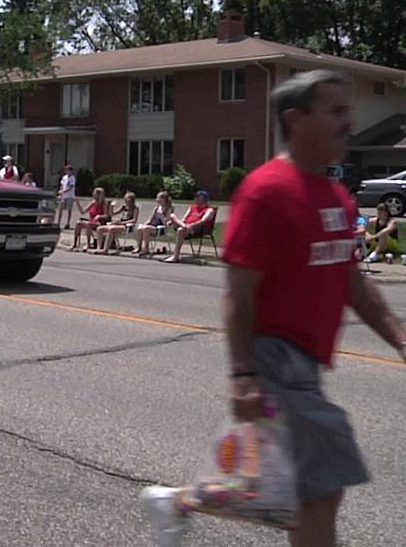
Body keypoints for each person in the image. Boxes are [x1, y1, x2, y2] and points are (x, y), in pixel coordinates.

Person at [141, 69, 406, 547]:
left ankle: (175, 501)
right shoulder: (267, 192)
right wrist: (242, 373)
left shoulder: (339, 198)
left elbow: (353, 280)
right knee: (320, 491)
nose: (349, 121)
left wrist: (399, 337)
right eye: (337, 111)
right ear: (296, 119)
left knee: (272, 490)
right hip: (273, 362)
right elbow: (237, 293)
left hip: (306, 366)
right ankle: (175, 501)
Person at [163, 190, 217, 264]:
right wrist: (179, 223)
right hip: (186, 227)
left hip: (197, 229)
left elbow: (203, 221)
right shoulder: (192, 207)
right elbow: (184, 218)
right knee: (172, 216)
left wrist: (191, 225)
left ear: (204, 198)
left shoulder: (209, 210)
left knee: (180, 230)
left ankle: (175, 256)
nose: (195, 198)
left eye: (197, 197)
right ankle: (184, 226)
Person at [135, 191, 174, 257]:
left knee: (146, 228)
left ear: (163, 199)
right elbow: (150, 220)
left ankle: (146, 248)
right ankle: (139, 247)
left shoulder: (169, 209)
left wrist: (161, 215)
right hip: (152, 227)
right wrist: (144, 224)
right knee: (140, 227)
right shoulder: (156, 208)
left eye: (158, 198)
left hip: (161, 229)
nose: (157, 199)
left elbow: (166, 223)